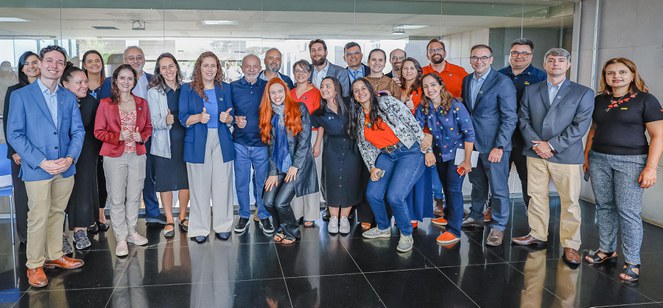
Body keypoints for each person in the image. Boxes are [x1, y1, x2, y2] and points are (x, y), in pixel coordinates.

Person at [7, 45, 86, 288]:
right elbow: (15, 134)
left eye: (59, 62)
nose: (54, 65)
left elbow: (78, 131)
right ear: (40, 64)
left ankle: (54, 254)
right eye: (49, 60)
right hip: (38, 168)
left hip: (65, 167)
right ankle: (34, 265)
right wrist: (41, 161)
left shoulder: (68, 97)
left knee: (56, 213)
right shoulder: (21, 96)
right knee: (38, 216)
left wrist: (70, 158)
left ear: (63, 68)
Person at [512, 48, 594, 266]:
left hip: (566, 154)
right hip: (535, 152)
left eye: (560, 60)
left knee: (569, 201)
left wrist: (552, 145)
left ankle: (570, 245)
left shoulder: (583, 92)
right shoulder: (532, 90)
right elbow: (523, 119)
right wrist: (538, 145)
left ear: (568, 65)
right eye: (551, 60)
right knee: (536, 196)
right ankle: (537, 234)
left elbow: (580, 125)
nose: (555, 64)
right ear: (545, 64)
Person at [583, 58, 663, 281]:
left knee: (628, 211)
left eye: (621, 72)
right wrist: (586, 155)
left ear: (632, 74)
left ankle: (633, 262)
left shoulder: (646, 100)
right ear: (605, 76)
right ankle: (606, 250)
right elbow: (593, 130)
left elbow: (658, 135)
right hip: (599, 159)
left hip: (631, 161)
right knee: (605, 206)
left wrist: (651, 168)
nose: (616, 76)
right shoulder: (600, 100)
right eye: (610, 73)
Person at [348, 78, 426, 253]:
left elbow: (411, 123)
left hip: (409, 151)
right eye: (356, 90)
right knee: (373, 194)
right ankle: (383, 228)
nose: (360, 92)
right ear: (353, 96)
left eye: (363, 88)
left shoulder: (387, 102)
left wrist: (426, 150)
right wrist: (372, 168)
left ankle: (406, 234)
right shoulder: (359, 116)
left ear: (370, 89)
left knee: (395, 196)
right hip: (387, 155)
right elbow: (364, 146)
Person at [99, 46, 164, 226]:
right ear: (124, 61)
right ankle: (122, 226)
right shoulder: (109, 83)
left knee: (147, 176)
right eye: (130, 58)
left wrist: (144, 135)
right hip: (118, 143)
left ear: (144, 59)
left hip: (146, 137)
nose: (135, 60)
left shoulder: (154, 80)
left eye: (139, 57)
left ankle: (152, 212)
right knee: (119, 187)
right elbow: (104, 114)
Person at [460, 44, 517, 247]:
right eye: (475, 57)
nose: (479, 61)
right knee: (477, 184)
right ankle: (476, 216)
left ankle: (498, 227)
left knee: (499, 189)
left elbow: (510, 117)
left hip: (494, 146)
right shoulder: (467, 80)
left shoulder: (503, 82)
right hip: (472, 144)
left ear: (491, 59)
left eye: (484, 57)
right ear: (470, 59)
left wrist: (499, 146)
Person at [94, 64, 153, 257]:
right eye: (122, 78)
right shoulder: (105, 104)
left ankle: (131, 232)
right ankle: (120, 237)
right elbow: (98, 131)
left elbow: (149, 128)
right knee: (117, 197)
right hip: (114, 155)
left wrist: (141, 137)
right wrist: (118, 136)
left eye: (130, 78)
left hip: (137, 154)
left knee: (135, 195)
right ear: (116, 81)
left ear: (134, 82)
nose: (126, 82)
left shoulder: (142, 103)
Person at [179, 51, 235, 244]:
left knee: (222, 185)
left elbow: (232, 114)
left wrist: (229, 119)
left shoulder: (225, 88)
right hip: (197, 141)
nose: (210, 69)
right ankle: (200, 228)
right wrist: (198, 118)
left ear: (218, 69)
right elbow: (183, 117)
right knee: (199, 187)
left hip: (222, 140)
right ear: (199, 68)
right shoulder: (187, 89)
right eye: (206, 65)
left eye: (213, 66)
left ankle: (223, 226)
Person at [415, 73, 475, 245]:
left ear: (441, 85)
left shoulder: (456, 105)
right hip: (439, 153)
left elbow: (469, 134)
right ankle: (449, 216)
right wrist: (427, 147)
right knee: (445, 186)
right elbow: (416, 128)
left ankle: (454, 230)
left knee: (454, 188)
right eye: (426, 86)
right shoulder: (424, 107)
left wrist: (467, 160)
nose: (430, 89)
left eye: (433, 85)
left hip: (459, 153)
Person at [260, 78, 319, 245]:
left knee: (280, 203)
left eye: (280, 91)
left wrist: (295, 166)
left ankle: (292, 231)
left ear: (286, 92)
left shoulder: (299, 108)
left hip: (297, 166)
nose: (277, 95)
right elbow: (270, 147)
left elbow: (304, 141)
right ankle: (280, 228)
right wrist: (272, 173)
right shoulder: (268, 113)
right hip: (278, 167)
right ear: (268, 95)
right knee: (268, 201)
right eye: (273, 92)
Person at [498, 38, 547, 209]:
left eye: (524, 53)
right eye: (515, 52)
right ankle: (494, 210)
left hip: (527, 138)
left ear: (531, 56)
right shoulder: (498, 75)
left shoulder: (541, 77)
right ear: (510, 55)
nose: (519, 56)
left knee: (528, 180)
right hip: (502, 137)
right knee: (498, 179)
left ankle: (533, 217)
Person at [312, 77, 363, 234]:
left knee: (350, 181)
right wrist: (317, 144)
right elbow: (320, 127)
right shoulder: (319, 113)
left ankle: (344, 218)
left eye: (328, 86)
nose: (324, 89)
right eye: (322, 87)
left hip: (352, 148)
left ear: (336, 89)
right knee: (332, 181)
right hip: (332, 148)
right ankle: (334, 218)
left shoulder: (350, 104)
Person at [146, 52, 190, 238]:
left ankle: (182, 216)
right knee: (165, 182)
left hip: (186, 141)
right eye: (163, 67)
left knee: (184, 180)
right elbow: (153, 121)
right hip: (164, 142)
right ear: (159, 71)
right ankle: (169, 219)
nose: (168, 70)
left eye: (171, 66)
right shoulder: (153, 92)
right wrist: (165, 120)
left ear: (177, 67)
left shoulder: (187, 89)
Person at [231, 54, 274, 235]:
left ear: (260, 68)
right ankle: (243, 215)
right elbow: (227, 111)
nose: (251, 69)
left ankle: (263, 215)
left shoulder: (267, 88)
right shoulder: (232, 87)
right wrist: (234, 119)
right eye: (247, 66)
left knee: (262, 182)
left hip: (262, 144)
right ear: (242, 67)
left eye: (255, 66)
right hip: (239, 143)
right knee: (241, 182)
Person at [61, 64, 101, 250]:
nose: (85, 85)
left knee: (83, 190)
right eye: (79, 82)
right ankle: (59, 235)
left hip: (86, 152)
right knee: (60, 193)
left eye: (85, 81)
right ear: (65, 84)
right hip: (61, 152)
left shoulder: (91, 102)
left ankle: (80, 231)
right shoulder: (57, 102)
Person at [2, 51, 40, 245]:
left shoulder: (47, 88)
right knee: (24, 197)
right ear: (21, 67)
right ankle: (26, 237)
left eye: (35, 62)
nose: (32, 66)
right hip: (21, 153)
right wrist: (14, 150)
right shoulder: (14, 90)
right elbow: (8, 123)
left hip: (44, 152)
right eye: (27, 64)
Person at [399, 57, 444, 217]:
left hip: (424, 134)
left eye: (412, 68)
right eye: (405, 68)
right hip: (404, 138)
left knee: (431, 168)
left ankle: (439, 200)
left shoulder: (423, 89)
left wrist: (428, 135)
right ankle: (410, 210)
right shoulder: (399, 89)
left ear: (418, 70)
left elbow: (428, 112)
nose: (408, 71)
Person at [289, 59, 322, 227]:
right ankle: (296, 212)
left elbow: (321, 121)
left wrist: (317, 144)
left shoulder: (316, 93)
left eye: (304, 71)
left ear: (310, 74)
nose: (300, 74)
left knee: (310, 177)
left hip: (313, 137)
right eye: (297, 71)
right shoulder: (290, 93)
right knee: (295, 176)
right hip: (293, 140)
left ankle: (310, 214)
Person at [81, 49, 110, 232]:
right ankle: (87, 216)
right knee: (86, 177)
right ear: (84, 65)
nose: (93, 64)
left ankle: (100, 213)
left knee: (102, 175)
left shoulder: (108, 85)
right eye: (89, 61)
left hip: (106, 137)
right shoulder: (79, 85)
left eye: (97, 60)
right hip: (84, 137)